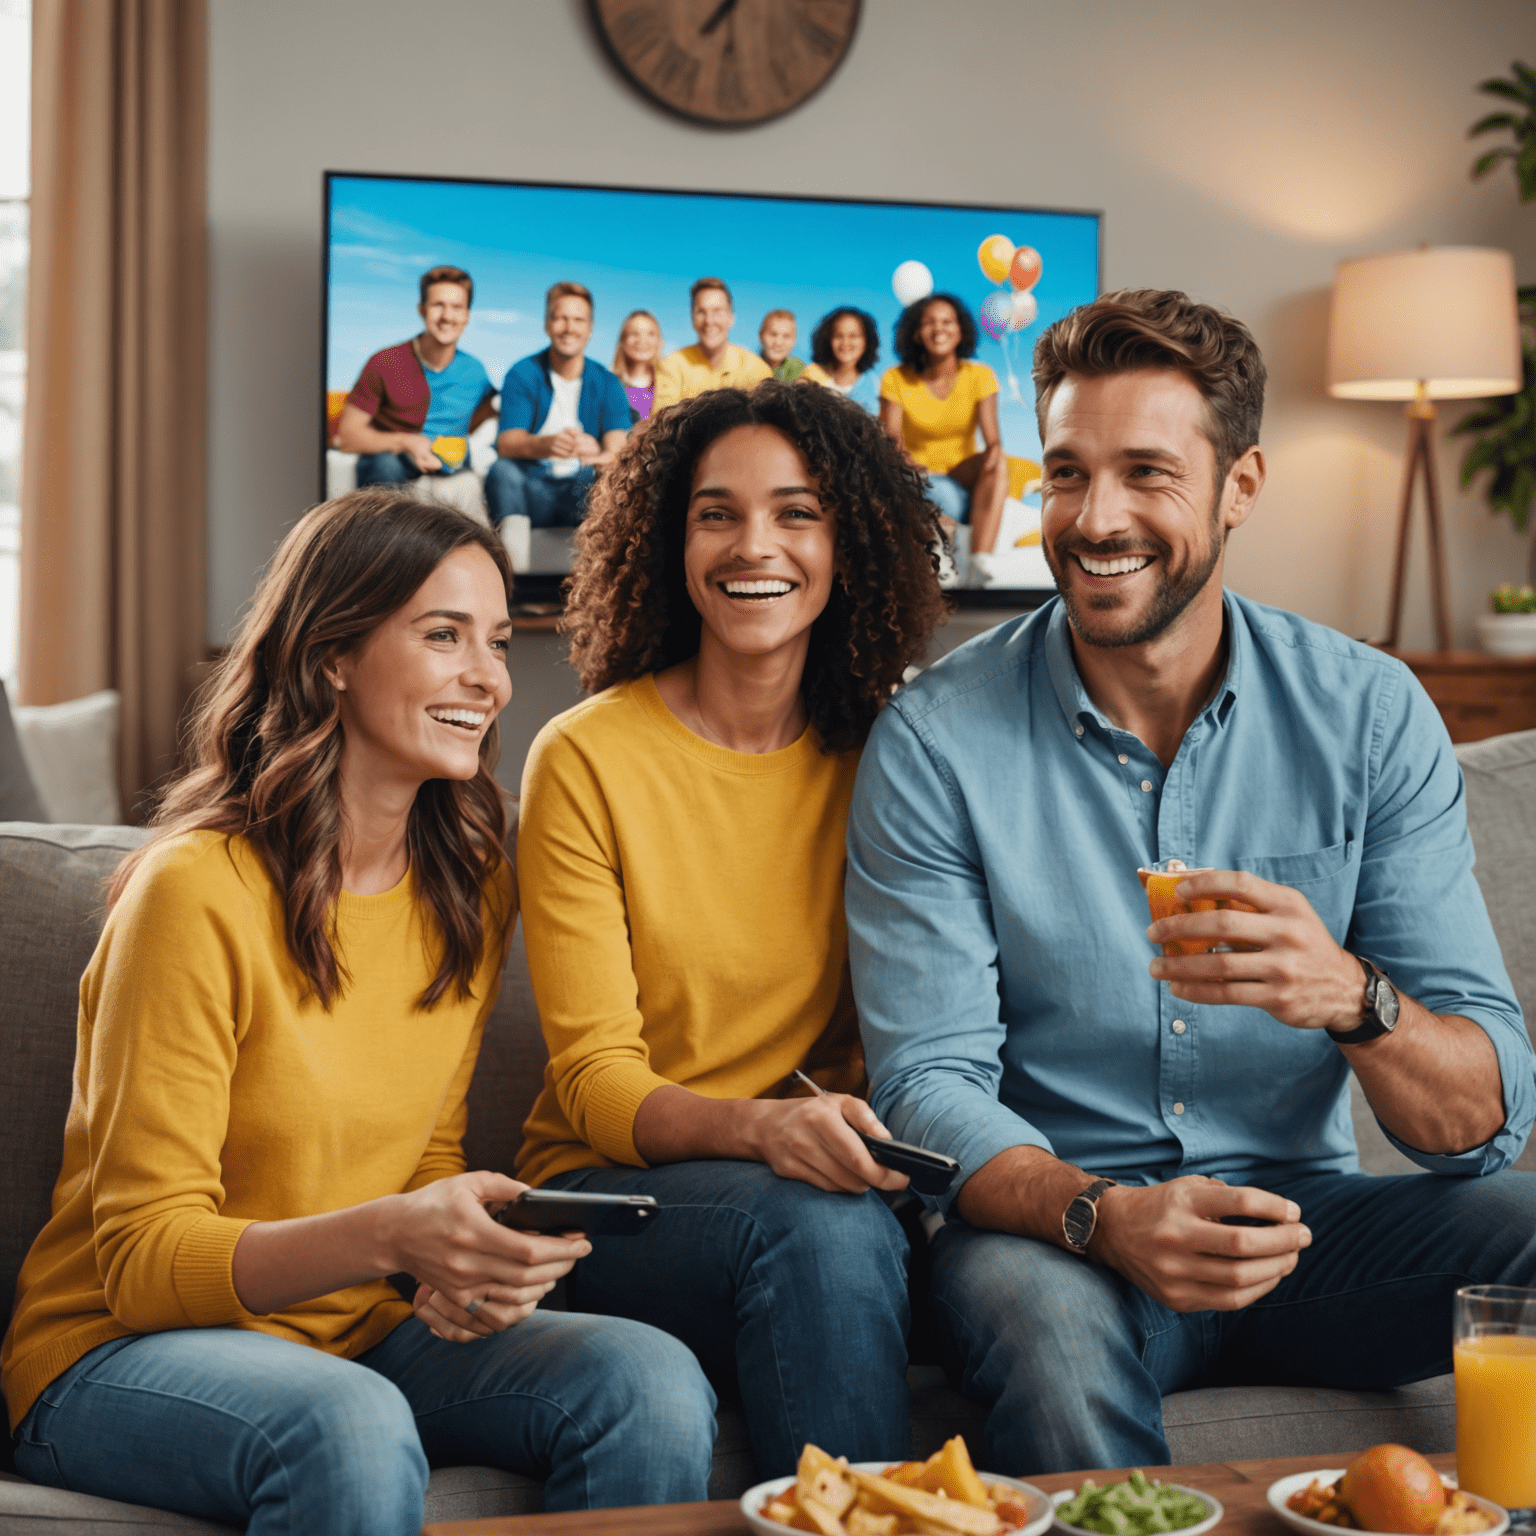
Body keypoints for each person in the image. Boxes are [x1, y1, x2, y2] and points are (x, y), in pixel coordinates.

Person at [845, 288, 1536, 1476]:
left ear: (1241, 487)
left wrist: (1349, 998)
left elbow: (1479, 1128)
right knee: (1043, 1324)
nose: (1093, 517)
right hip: (1058, 1234)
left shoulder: (1368, 716)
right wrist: (1103, 1217)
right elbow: (928, 1083)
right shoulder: (936, 740)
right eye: (1066, 473)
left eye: (1146, 474)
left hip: (1305, 1229)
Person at [1, 489, 716, 1533]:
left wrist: (458, 1262)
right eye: (442, 635)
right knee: (346, 1422)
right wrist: (395, 1236)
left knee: (643, 1377)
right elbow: (146, 1262)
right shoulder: (194, 892)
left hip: (359, 1336)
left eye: (498, 642)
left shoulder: (468, 885)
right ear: (332, 653)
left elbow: (422, 1152)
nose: (487, 676)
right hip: (115, 1354)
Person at [514, 381, 949, 1478]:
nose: (755, 545)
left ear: (850, 539)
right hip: (609, 1200)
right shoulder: (584, 758)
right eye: (717, 513)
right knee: (822, 1227)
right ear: (672, 538)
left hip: (831, 1188)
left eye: (797, 512)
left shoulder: (894, 759)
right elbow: (595, 1087)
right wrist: (763, 1133)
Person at [334, 266, 496, 522]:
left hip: (448, 462)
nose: (447, 316)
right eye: (438, 305)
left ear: (467, 315)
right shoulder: (385, 362)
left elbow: (493, 411)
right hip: (392, 465)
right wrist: (406, 442)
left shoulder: (475, 372)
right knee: (385, 464)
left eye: (457, 307)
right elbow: (348, 435)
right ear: (422, 310)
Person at [879, 293, 1009, 584]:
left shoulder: (981, 376)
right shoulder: (895, 379)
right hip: (917, 476)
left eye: (947, 321)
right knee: (937, 492)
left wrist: (994, 457)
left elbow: (993, 441)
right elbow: (892, 441)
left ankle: (979, 563)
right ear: (915, 332)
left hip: (960, 473)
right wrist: (912, 469)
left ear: (960, 329)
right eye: (929, 322)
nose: (939, 329)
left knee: (998, 462)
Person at [484, 282, 631, 531]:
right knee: (502, 471)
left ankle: (595, 564)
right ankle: (512, 562)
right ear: (547, 324)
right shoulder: (523, 373)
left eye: (578, 320)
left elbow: (617, 450)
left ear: (590, 329)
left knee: (601, 475)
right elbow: (507, 442)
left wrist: (595, 456)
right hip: (533, 487)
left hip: (582, 490)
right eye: (561, 319)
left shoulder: (607, 382)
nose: (569, 328)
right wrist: (547, 444)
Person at [653, 278, 772, 410]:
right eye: (701, 312)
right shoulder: (671, 367)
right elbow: (662, 420)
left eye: (717, 311)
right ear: (692, 318)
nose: (709, 321)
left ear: (731, 318)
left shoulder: (757, 370)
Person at [801, 306, 881, 415]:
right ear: (828, 339)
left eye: (853, 336)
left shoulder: (875, 387)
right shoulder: (812, 374)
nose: (845, 342)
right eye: (838, 335)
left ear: (867, 341)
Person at [612, 308, 663, 421]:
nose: (642, 340)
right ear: (623, 341)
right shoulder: (610, 384)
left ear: (659, 341)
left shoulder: (669, 383)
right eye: (634, 334)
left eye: (650, 334)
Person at [758, 308, 807, 381]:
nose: (778, 342)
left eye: (786, 336)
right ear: (761, 335)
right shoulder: (749, 364)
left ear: (794, 340)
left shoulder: (799, 370)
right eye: (773, 334)